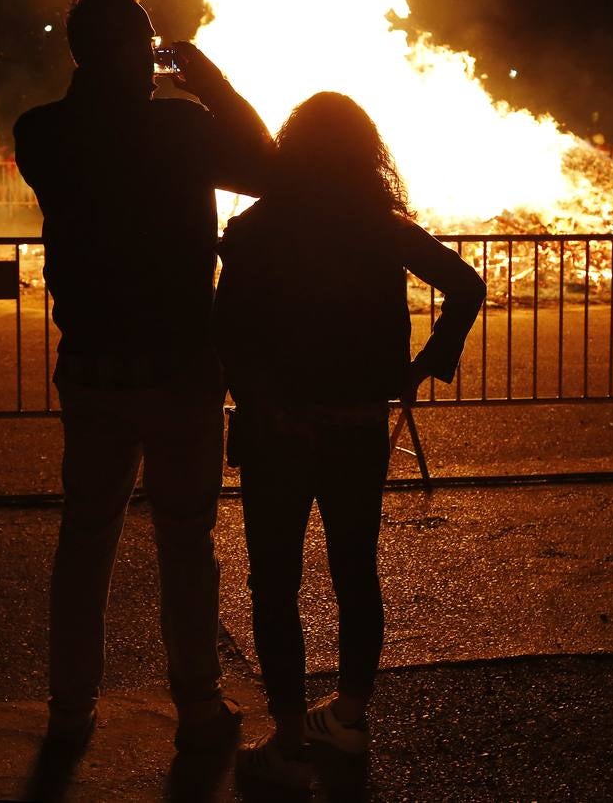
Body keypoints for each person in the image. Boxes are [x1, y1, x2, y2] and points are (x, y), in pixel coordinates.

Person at [13, 0, 272, 755]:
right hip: (183, 365)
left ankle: (70, 708)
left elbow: (88, 137)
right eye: (147, 38)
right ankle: (196, 703)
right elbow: (267, 167)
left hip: (92, 368)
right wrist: (209, 81)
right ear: (133, 48)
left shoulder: (41, 133)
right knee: (185, 542)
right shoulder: (184, 126)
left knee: (85, 537)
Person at [214, 92, 485, 790]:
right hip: (358, 425)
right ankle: (349, 717)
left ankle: (287, 737)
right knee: (354, 571)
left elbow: (229, 331)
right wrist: (428, 361)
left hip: (278, 428)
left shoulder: (258, 227)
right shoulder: (380, 227)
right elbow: (465, 284)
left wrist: (259, 398)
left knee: (275, 582)